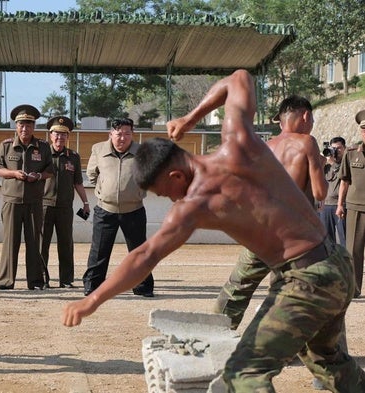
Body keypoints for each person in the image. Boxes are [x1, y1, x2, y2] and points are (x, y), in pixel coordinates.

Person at [62, 70, 365, 392]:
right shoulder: (238, 144)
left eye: (167, 193)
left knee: (244, 374)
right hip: (337, 263)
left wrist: (92, 300)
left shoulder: (192, 206)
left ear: (177, 175)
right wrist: (190, 119)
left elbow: (145, 256)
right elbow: (240, 79)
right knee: (325, 359)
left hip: (307, 280)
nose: (171, 200)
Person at [214, 95, 328, 330]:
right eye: (312, 119)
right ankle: (282, 343)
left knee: (238, 285)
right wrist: (320, 165)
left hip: (262, 228)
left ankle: (214, 333)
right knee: (295, 291)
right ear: (305, 116)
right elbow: (319, 193)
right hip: (293, 234)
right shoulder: (307, 142)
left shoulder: (266, 146)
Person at [82, 118, 154, 297]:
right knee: (99, 250)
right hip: (105, 209)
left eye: (127, 134)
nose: (123, 138)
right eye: (119, 134)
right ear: (111, 134)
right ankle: (92, 286)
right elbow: (92, 174)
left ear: (133, 134)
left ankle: (143, 286)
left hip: (134, 209)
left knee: (138, 252)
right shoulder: (98, 149)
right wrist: (106, 187)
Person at [0, 104, 53, 290]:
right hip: (11, 201)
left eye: (28, 125)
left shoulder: (43, 147)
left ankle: (35, 281)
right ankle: (6, 281)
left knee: (34, 242)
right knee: (10, 243)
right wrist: (14, 174)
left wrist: (38, 176)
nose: (24, 128)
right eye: (21, 124)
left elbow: (50, 170)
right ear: (16, 126)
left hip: (34, 202)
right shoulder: (6, 146)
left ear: (34, 127)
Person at [41, 116, 90, 288]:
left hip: (65, 207)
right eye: (57, 134)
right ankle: (42, 279)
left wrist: (85, 203)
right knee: (42, 244)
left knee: (66, 244)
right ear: (50, 135)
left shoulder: (73, 157)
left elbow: (78, 182)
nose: (60, 138)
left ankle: (66, 279)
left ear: (67, 137)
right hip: (44, 205)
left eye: (64, 135)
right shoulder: (41, 154)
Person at [337, 110, 365, 298]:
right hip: (355, 208)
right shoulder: (351, 153)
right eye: (364, 129)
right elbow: (344, 181)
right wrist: (340, 205)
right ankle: (354, 289)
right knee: (353, 250)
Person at [320, 136, 346, 247]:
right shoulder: (327, 165)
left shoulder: (346, 163)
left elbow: (344, 176)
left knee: (344, 238)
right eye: (333, 148)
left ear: (345, 148)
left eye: (339, 148)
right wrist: (322, 159)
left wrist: (333, 163)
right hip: (327, 206)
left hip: (341, 206)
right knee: (327, 240)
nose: (336, 151)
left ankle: (347, 262)